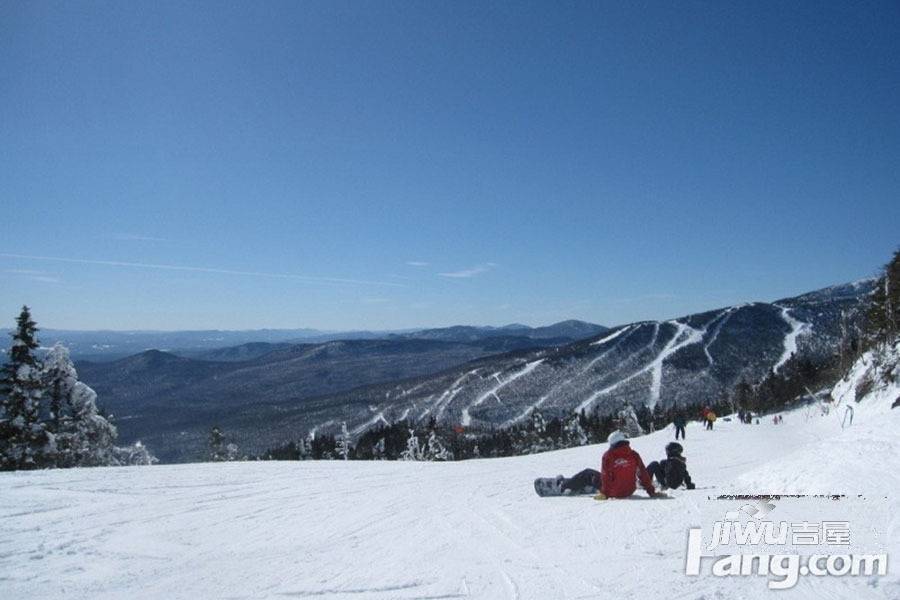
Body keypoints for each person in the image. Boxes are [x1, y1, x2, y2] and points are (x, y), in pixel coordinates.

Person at [594, 430, 658, 500]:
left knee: (590, 474)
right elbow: (642, 473)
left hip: (614, 492)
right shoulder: (634, 454)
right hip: (630, 490)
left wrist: (605, 493)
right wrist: (651, 491)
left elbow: (605, 476)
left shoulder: (607, 456)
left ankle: (582, 487)